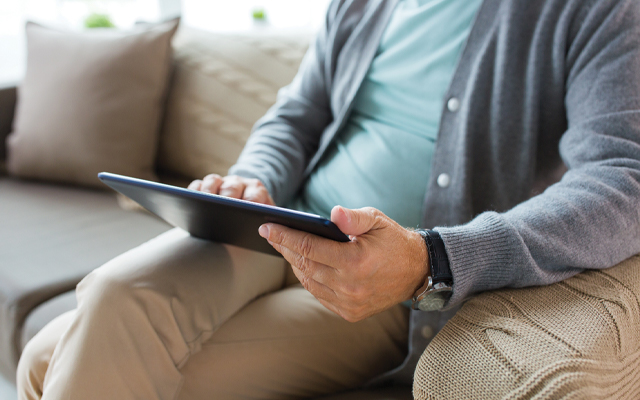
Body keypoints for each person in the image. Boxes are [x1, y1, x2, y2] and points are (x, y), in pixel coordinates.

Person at [17, 0, 640, 398]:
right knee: (112, 293)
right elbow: (297, 112)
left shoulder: (596, 10)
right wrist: (252, 179)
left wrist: (435, 258)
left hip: (392, 287)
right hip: (275, 228)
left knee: (52, 360)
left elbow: (623, 178)